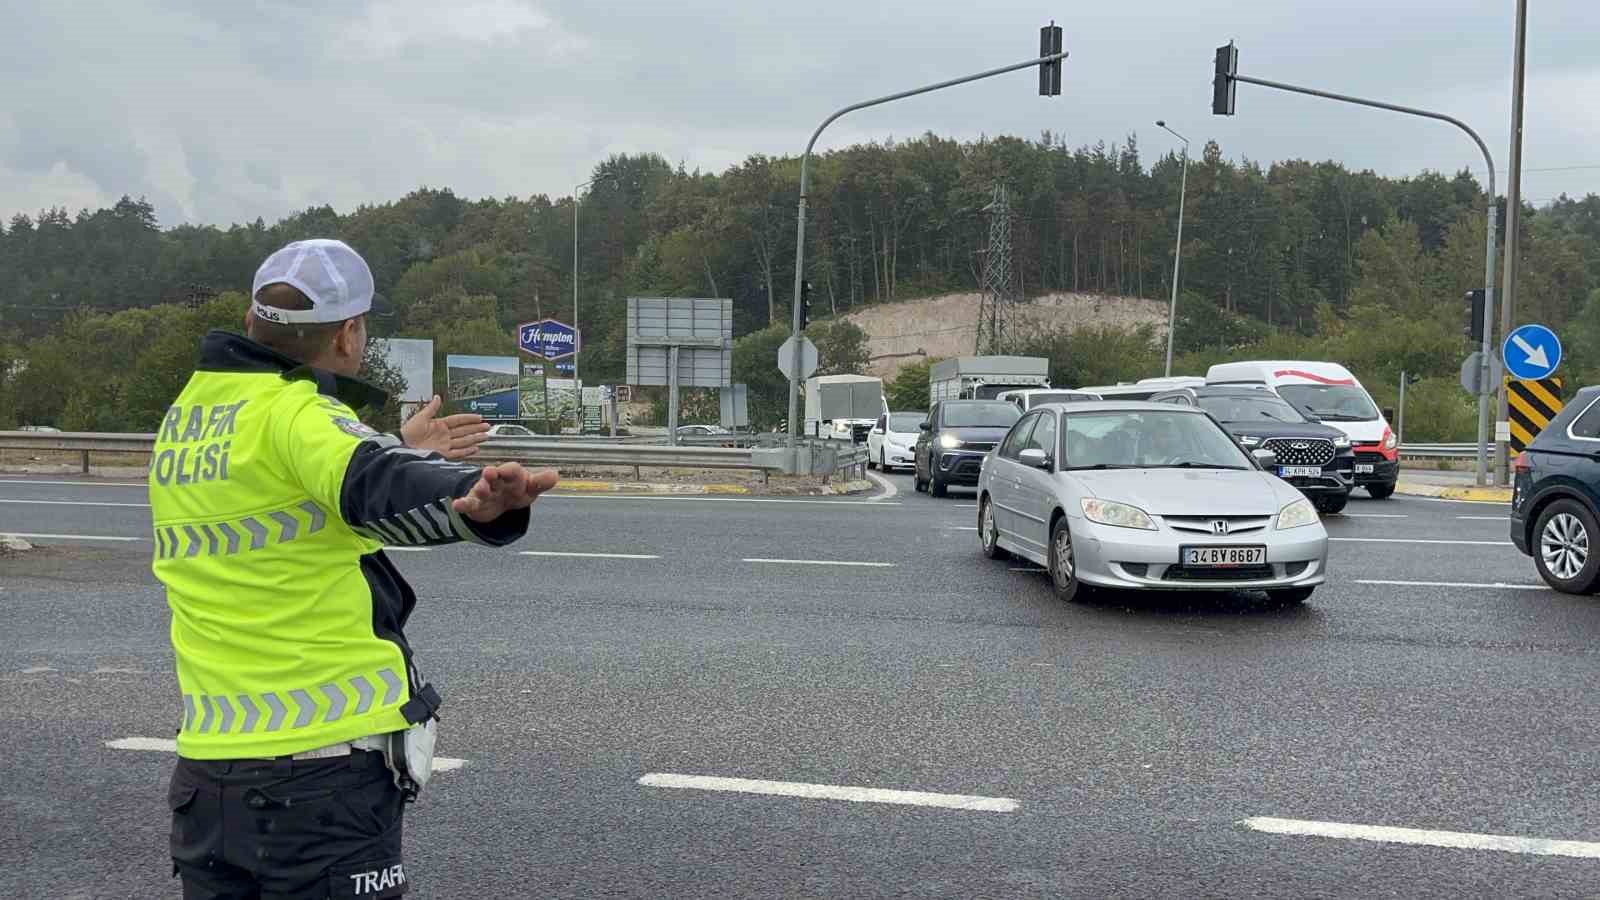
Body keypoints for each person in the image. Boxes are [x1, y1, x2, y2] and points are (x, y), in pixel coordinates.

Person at [149, 238, 559, 899]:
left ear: (254, 320)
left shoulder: (189, 419)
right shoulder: (295, 412)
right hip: (318, 782)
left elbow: (308, 495)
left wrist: (404, 450)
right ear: (347, 336)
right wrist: (468, 502)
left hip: (208, 778)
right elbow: (370, 477)